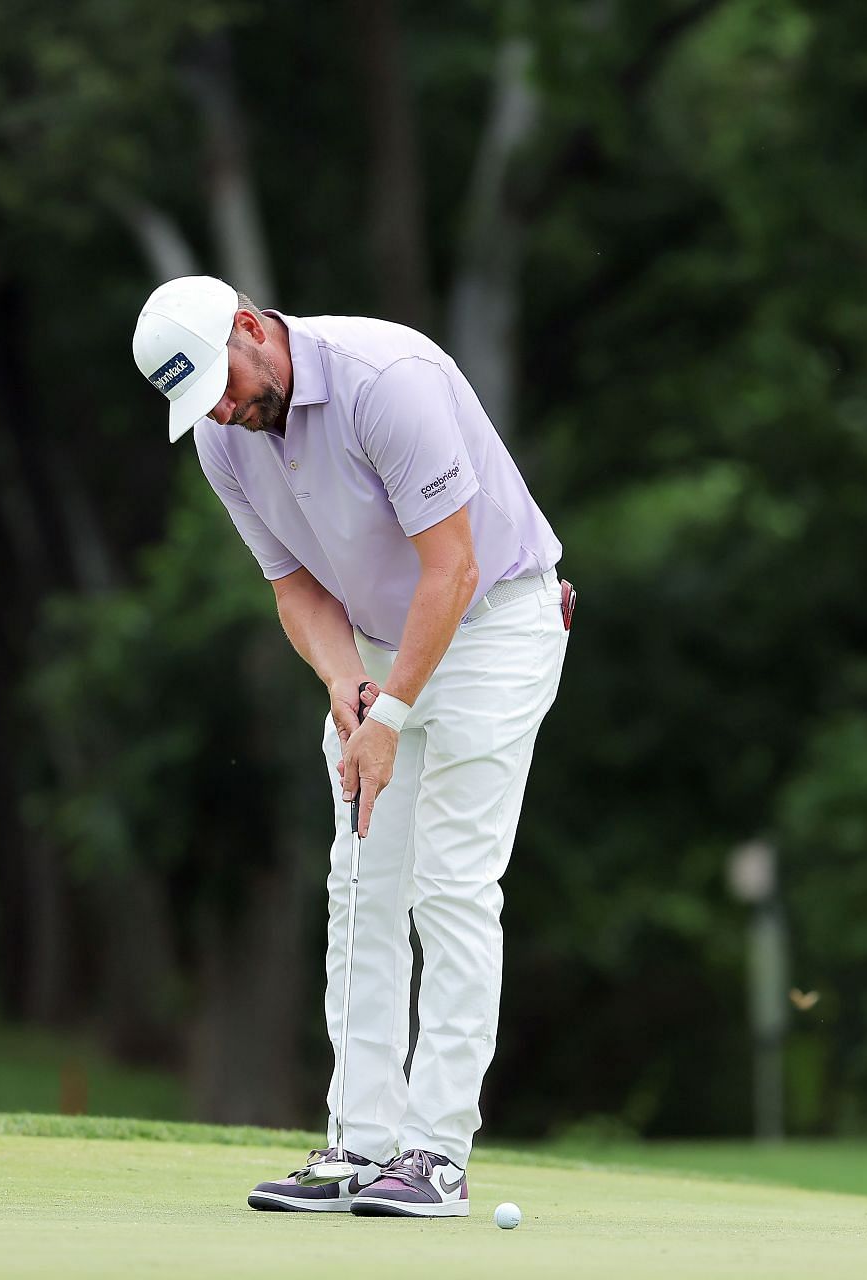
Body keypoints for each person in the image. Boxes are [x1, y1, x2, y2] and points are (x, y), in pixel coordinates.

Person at [131, 276, 572, 1218]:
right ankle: (360, 1144)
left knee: (451, 883)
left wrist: (393, 716)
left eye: (222, 379)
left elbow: (450, 567)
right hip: (378, 644)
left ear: (252, 327)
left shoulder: (386, 378)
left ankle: (436, 1154)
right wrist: (345, 687)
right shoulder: (224, 438)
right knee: (363, 882)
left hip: (497, 619)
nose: (220, 407)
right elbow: (293, 587)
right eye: (200, 400)